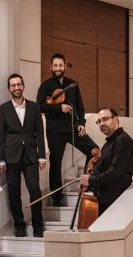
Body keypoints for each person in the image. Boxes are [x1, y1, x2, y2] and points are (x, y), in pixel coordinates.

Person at [37, 53, 99, 207]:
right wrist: (59, 108)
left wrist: (82, 124)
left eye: (60, 65)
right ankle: (57, 197)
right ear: (51, 67)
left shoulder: (73, 84)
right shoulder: (45, 85)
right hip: (54, 130)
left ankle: (87, 184)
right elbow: (39, 106)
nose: (58, 68)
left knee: (93, 150)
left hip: (72, 127)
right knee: (56, 162)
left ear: (64, 66)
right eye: (55, 65)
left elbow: (80, 106)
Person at [0, 73, 47, 238]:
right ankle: (19, 225)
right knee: (14, 192)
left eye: (19, 84)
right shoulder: (3, 109)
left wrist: (42, 155)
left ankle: (38, 226)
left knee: (35, 190)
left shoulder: (34, 107)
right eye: (13, 85)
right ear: (9, 88)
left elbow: (39, 132)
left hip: (31, 156)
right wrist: (1, 159)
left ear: (23, 86)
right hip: (11, 157)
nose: (16, 87)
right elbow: (0, 136)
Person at [79, 107, 133, 215]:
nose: (101, 124)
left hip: (115, 202)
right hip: (105, 200)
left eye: (105, 119)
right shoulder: (108, 143)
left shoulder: (123, 141)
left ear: (116, 119)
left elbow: (114, 171)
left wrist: (90, 180)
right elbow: (101, 170)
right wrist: (88, 183)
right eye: (99, 121)